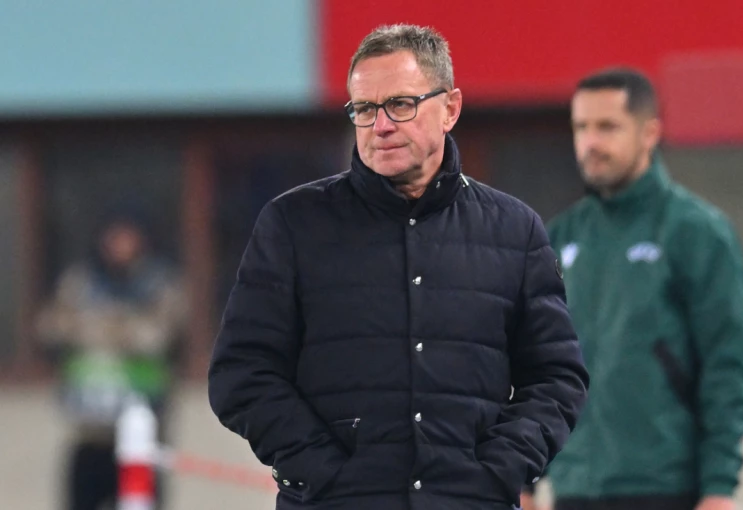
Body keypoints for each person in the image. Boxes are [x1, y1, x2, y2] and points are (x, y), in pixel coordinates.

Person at [208, 24, 589, 510]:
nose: (381, 125)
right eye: (365, 109)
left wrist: (500, 471)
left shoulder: (515, 230)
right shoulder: (292, 224)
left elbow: (556, 377)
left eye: (401, 104)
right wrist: (322, 472)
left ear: (450, 108)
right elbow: (241, 373)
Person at [523, 68, 743, 510]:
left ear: (649, 133)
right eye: (581, 127)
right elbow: (539, 368)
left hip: (665, 488)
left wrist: (719, 488)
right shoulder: (562, 236)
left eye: (607, 127)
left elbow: (728, 367)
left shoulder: (696, 233)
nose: (590, 142)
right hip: (574, 490)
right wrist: (526, 477)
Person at [36, 211, 187, 510]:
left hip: (142, 429)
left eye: (127, 237)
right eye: (114, 237)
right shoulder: (81, 282)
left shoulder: (159, 284)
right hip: (90, 430)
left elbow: (157, 337)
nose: (120, 246)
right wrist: (109, 329)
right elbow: (51, 326)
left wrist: (101, 327)